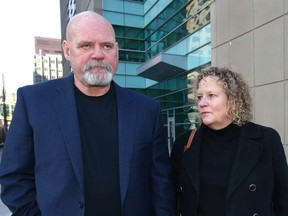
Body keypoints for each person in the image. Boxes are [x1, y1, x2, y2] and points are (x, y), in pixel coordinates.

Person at [0, 11, 176, 216]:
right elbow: (14, 177)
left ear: (116, 51)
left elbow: (162, 186)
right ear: (67, 50)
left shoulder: (146, 110)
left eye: (107, 46)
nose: (98, 54)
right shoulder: (34, 102)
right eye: (86, 45)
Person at [171, 66, 288, 216]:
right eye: (200, 97)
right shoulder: (184, 144)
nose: (202, 103)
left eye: (211, 95)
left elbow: (283, 201)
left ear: (233, 100)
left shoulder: (267, 139)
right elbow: (172, 198)